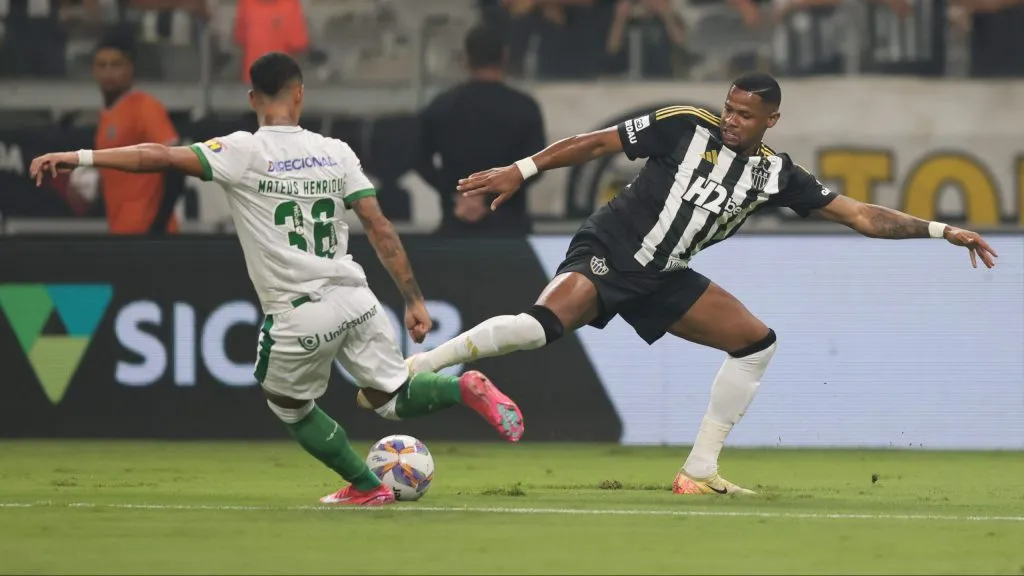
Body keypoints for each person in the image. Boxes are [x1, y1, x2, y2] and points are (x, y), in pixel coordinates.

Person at [406, 72, 998, 495]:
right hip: (611, 250)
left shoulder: (775, 175)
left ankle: (699, 469)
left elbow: (863, 216)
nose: (732, 120)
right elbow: (595, 143)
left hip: (663, 277)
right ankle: (419, 368)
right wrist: (523, 168)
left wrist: (942, 230)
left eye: (745, 114)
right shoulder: (683, 126)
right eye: (729, 108)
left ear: (772, 120)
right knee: (539, 330)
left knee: (756, 342)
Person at [29, 52, 525, 507]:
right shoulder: (337, 151)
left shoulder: (241, 150)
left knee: (288, 402)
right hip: (357, 297)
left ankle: (367, 486)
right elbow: (380, 227)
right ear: (300, 93)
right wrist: (413, 299)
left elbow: (157, 156)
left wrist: (81, 157)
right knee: (390, 398)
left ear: (252, 99)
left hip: (299, 309)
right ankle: (462, 388)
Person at [415, 23, 545, 237]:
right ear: (504, 56)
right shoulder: (524, 107)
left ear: (466, 59)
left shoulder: (442, 105)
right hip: (510, 231)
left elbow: (418, 160)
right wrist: (489, 196)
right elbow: (538, 164)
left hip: (456, 225)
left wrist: (459, 195)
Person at [89, 28, 184, 235]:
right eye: (101, 65)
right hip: (122, 231)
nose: (108, 73)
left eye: (115, 65)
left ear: (130, 68)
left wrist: (158, 227)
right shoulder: (106, 116)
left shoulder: (145, 107)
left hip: (150, 234)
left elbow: (177, 165)